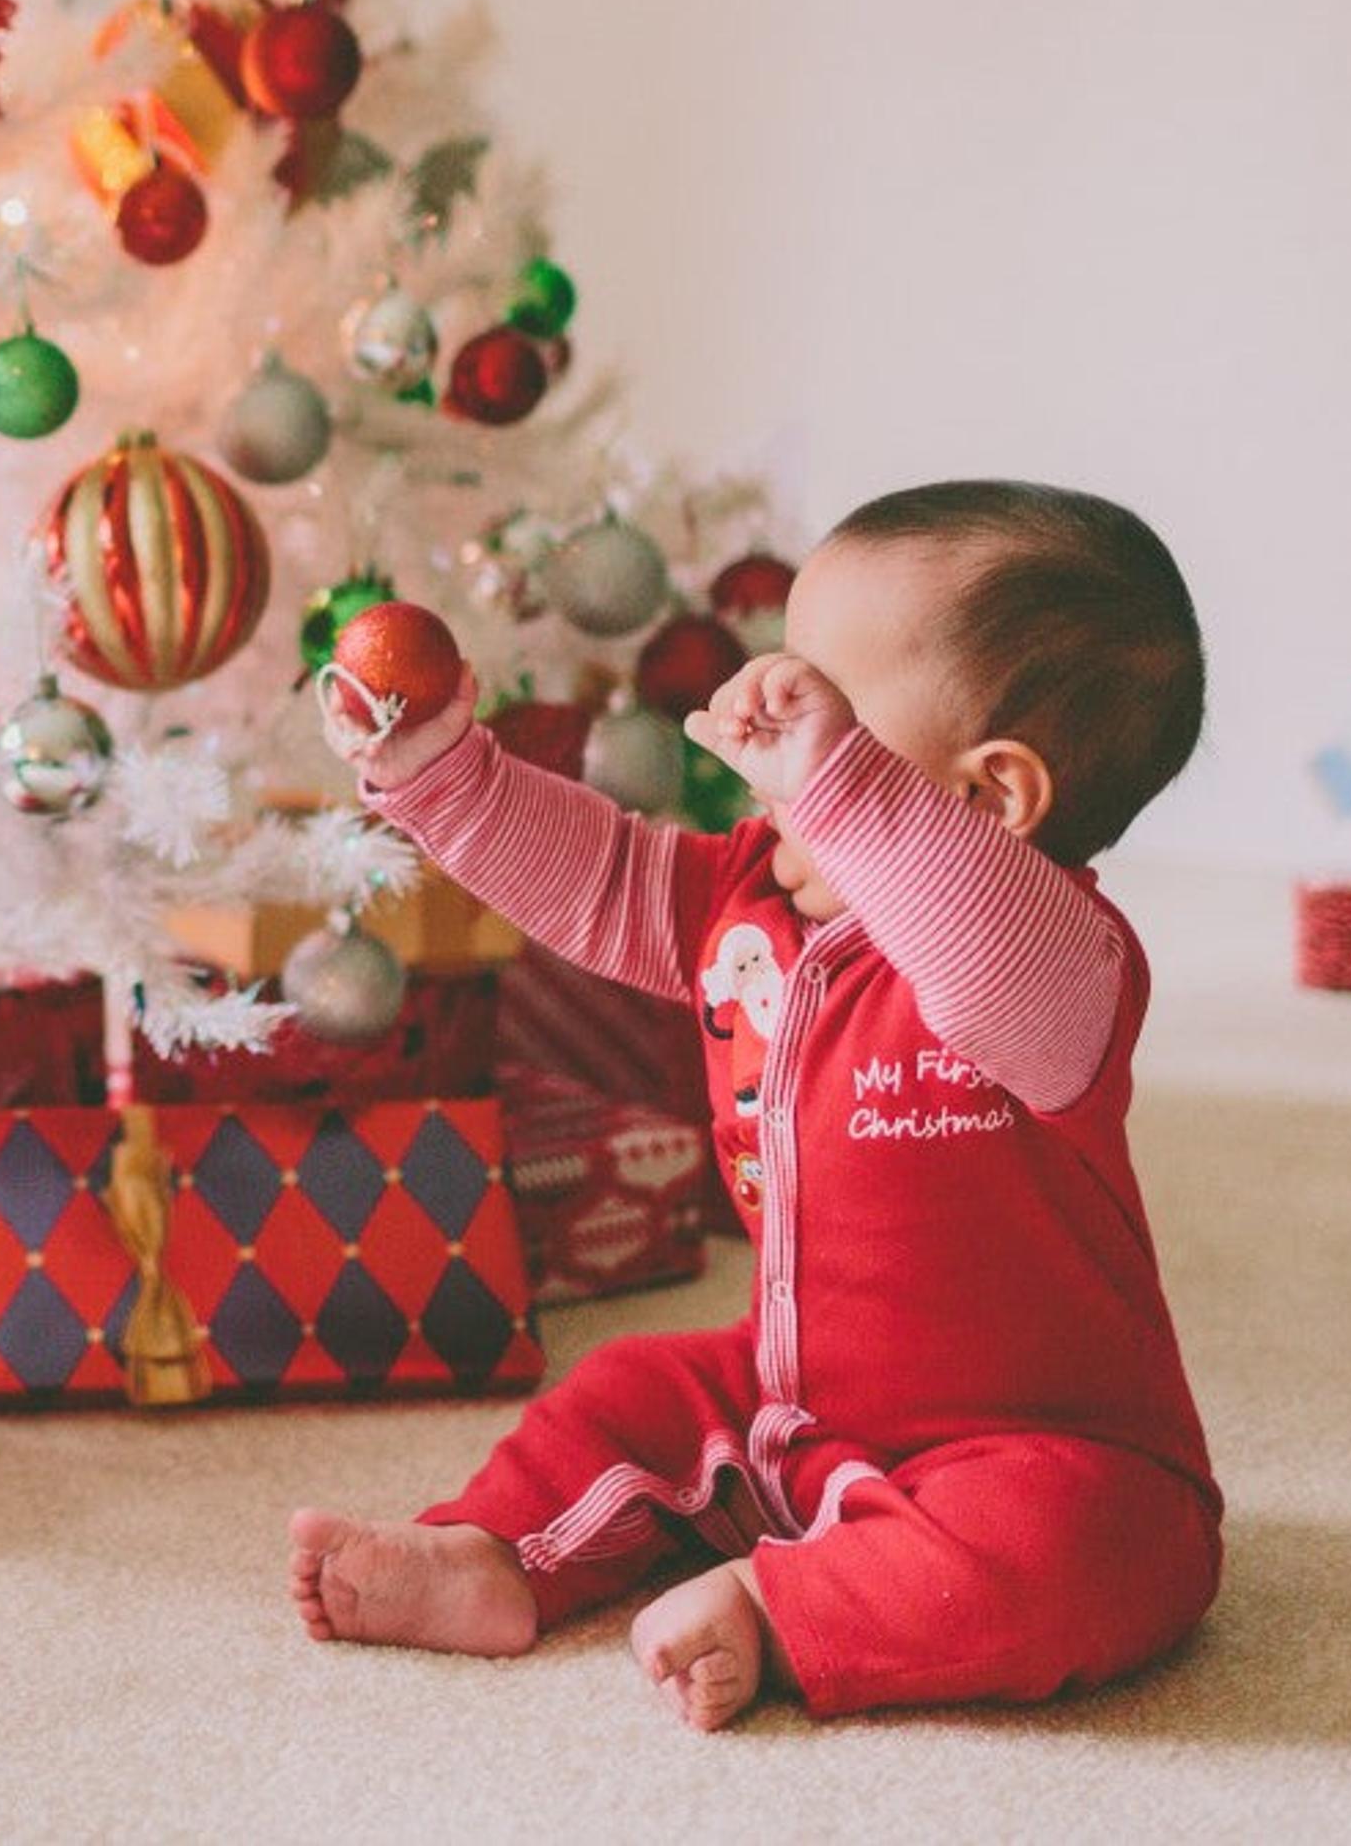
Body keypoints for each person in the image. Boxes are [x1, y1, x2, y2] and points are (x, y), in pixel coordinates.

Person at [286, 481, 1220, 1727]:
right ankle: (496, 1558)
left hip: (1032, 1448)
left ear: (991, 797)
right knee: (625, 1390)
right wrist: (444, 775)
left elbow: (984, 958)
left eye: (821, 699)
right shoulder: (757, 904)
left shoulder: (1060, 965)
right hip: (791, 1401)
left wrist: (842, 793)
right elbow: (597, 875)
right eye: (779, 666)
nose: (756, 707)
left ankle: (794, 1608)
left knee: (1097, 1549)